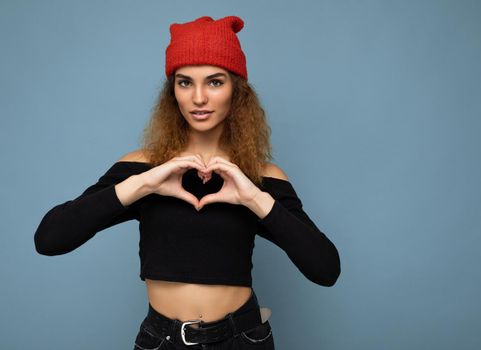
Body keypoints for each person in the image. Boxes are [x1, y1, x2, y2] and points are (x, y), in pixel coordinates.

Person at [34, 15, 341, 349]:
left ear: (236, 91)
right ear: (172, 92)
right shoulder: (143, 169)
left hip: (242, 339)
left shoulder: (260, 177)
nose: (198, 98)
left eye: (214, 82)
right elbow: (50, 239)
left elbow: (325, 269)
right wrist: (143, 185)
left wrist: (253, 198)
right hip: (161, 341)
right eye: (184, 82)